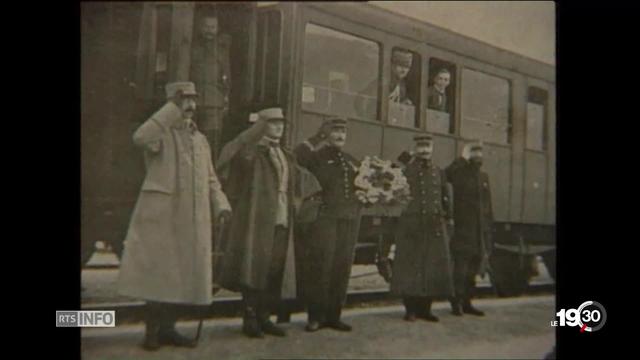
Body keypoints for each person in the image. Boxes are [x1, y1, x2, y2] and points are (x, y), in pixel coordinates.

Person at [117, 81, 232, 350]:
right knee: (160, 275)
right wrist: (171, 109)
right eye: (184, 101)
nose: (190, 107)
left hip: (192, 218)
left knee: (182, 275)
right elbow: (140, 138)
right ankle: (153, 332)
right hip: (164, 216)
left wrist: (221, 204)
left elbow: (211, 178)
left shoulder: (200, 140)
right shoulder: (160, 134)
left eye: (193, 101)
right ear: (171, 104)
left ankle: (169, 329)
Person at [217, 106, 297, 338]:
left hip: (281, 216)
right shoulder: (249, 153)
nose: (279, 127)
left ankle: (265, 316)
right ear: (261, 126)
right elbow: (227, 157)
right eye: (273, 123)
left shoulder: (285, 153)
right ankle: (250, 318)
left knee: (274, 269)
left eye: (281, 123)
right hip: (258, 219)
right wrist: (249, 137)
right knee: (255, 268)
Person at [296, 117, 362, 332]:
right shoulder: (315, 157)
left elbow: (364, 185)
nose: (340, 135)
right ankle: (315, 316)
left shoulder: (351, 160)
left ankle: (334, 316)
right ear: (327, 134)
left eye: (343, 131)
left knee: (341, 268)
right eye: (335, 131)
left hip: (348, 220)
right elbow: (297, 155)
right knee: (321, 267)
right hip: (325, 220)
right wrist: (317, 137)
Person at [381, 134, 455, 322]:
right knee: (410, 268)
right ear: (415, 148)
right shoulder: (406, 170)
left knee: (430, 268)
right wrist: (405, 156)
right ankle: (410, 310)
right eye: (421, 146)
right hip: (411, 226)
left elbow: (444, 196)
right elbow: (390, 174)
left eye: (427, 146)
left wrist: (447, 217)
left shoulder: (438, 171)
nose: (424, 150)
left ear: (432, 149)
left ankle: (426, 309)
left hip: (433, 225)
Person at [445, 141, 494, 317]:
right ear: (468, 156)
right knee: (460, 269)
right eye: (474, 153)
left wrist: (488, 231)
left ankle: (467, 303)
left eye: (480, 153)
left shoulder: (483, 177)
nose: (478, 156)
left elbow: (488, 207)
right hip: (462, 230)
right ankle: (456, 303)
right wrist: (461, 158)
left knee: (473, 269)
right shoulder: (459, 174)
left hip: (478, 232)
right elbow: (447, 174)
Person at [190, 13, 232, 159]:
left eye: (213, 27)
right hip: (193, 102)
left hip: (214, 104)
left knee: (211, 144)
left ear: (217, 29)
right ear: (200, 28)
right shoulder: (192, 47)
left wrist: (225, 99)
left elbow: (227, 76)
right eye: (206, 27)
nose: (209, 30)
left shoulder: (222, 50)